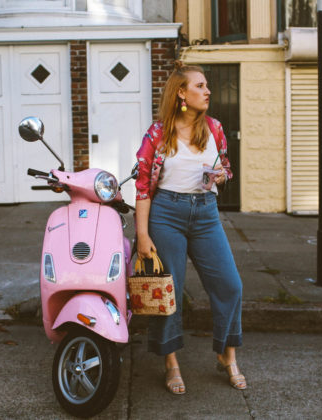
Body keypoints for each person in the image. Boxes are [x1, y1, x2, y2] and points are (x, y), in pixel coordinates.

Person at [135, 62, 246, 395]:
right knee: (169, 292)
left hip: (206, 212)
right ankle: (171, 362)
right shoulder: (158, 134)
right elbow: (142, 187)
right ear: (181, 93)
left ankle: (227, 355)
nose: (207, 90)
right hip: (167, 213)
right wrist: (142, 234)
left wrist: (223, 177)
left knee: (230, 285)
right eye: (200, 85)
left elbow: (224, 167)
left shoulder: (214, 128)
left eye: (207, 85)